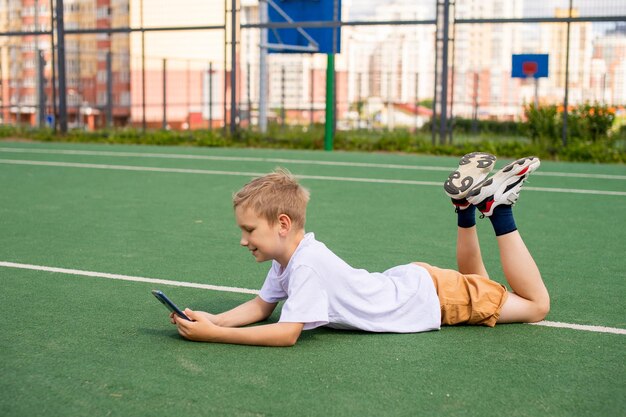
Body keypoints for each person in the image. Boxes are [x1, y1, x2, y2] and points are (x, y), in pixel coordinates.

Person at [171, 152, 550, 346]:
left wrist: (215, 335)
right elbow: (260, 307)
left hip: (432, 296)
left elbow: (285, 333)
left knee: (536, 306)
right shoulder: (291, 257)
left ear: (283, 225)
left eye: (249, 229)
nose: (243, 239)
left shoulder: (305, 266)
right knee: (477, 283)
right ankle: (465, 207)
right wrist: (213, 319)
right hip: (420, 285)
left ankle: (498, 210)